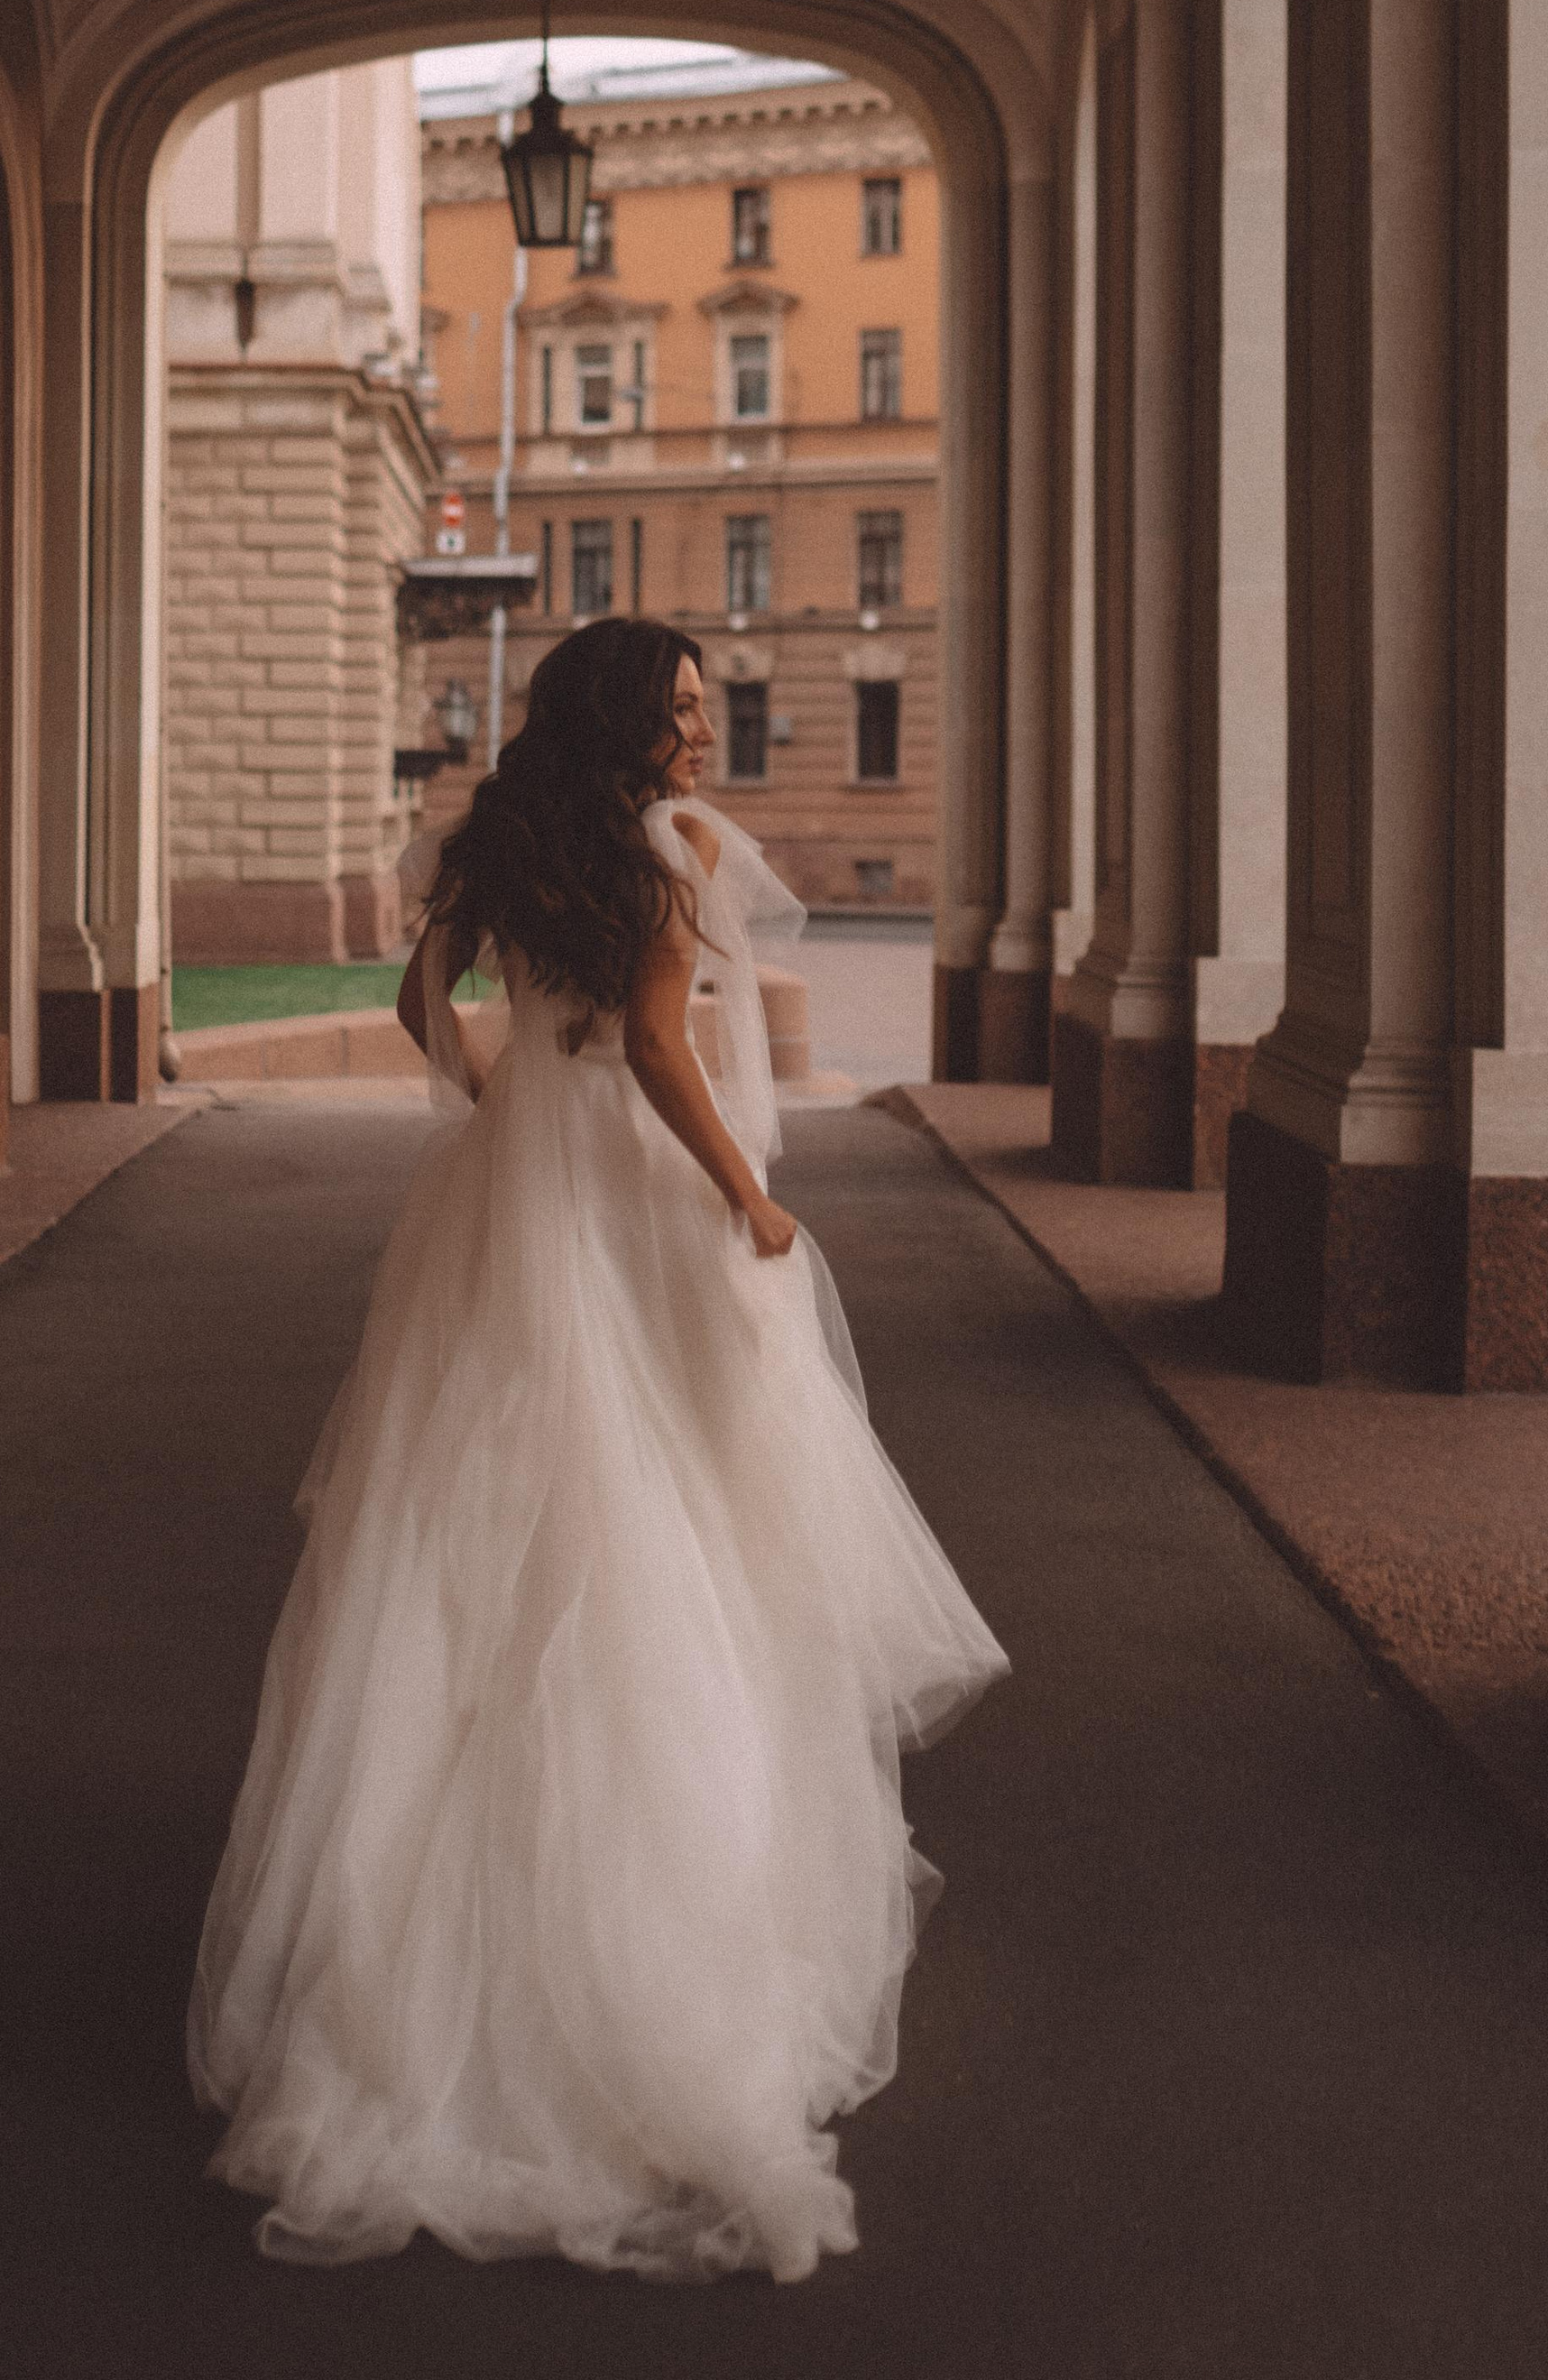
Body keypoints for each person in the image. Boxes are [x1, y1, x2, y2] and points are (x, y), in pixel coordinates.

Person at [187, 616, 1007, 2282]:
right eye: (688, 708)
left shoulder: (504, 835)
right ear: (634, 718)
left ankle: (428, 1950)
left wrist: (492, 1101)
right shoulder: (664, 860)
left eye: (710, 710)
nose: (706, 734)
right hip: (626, 1194)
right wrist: (750, 1195)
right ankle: (650, 1966)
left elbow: (426, 991)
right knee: (658, 1507)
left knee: (476, 1507)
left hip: (513, 1195)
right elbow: (659, 1049)